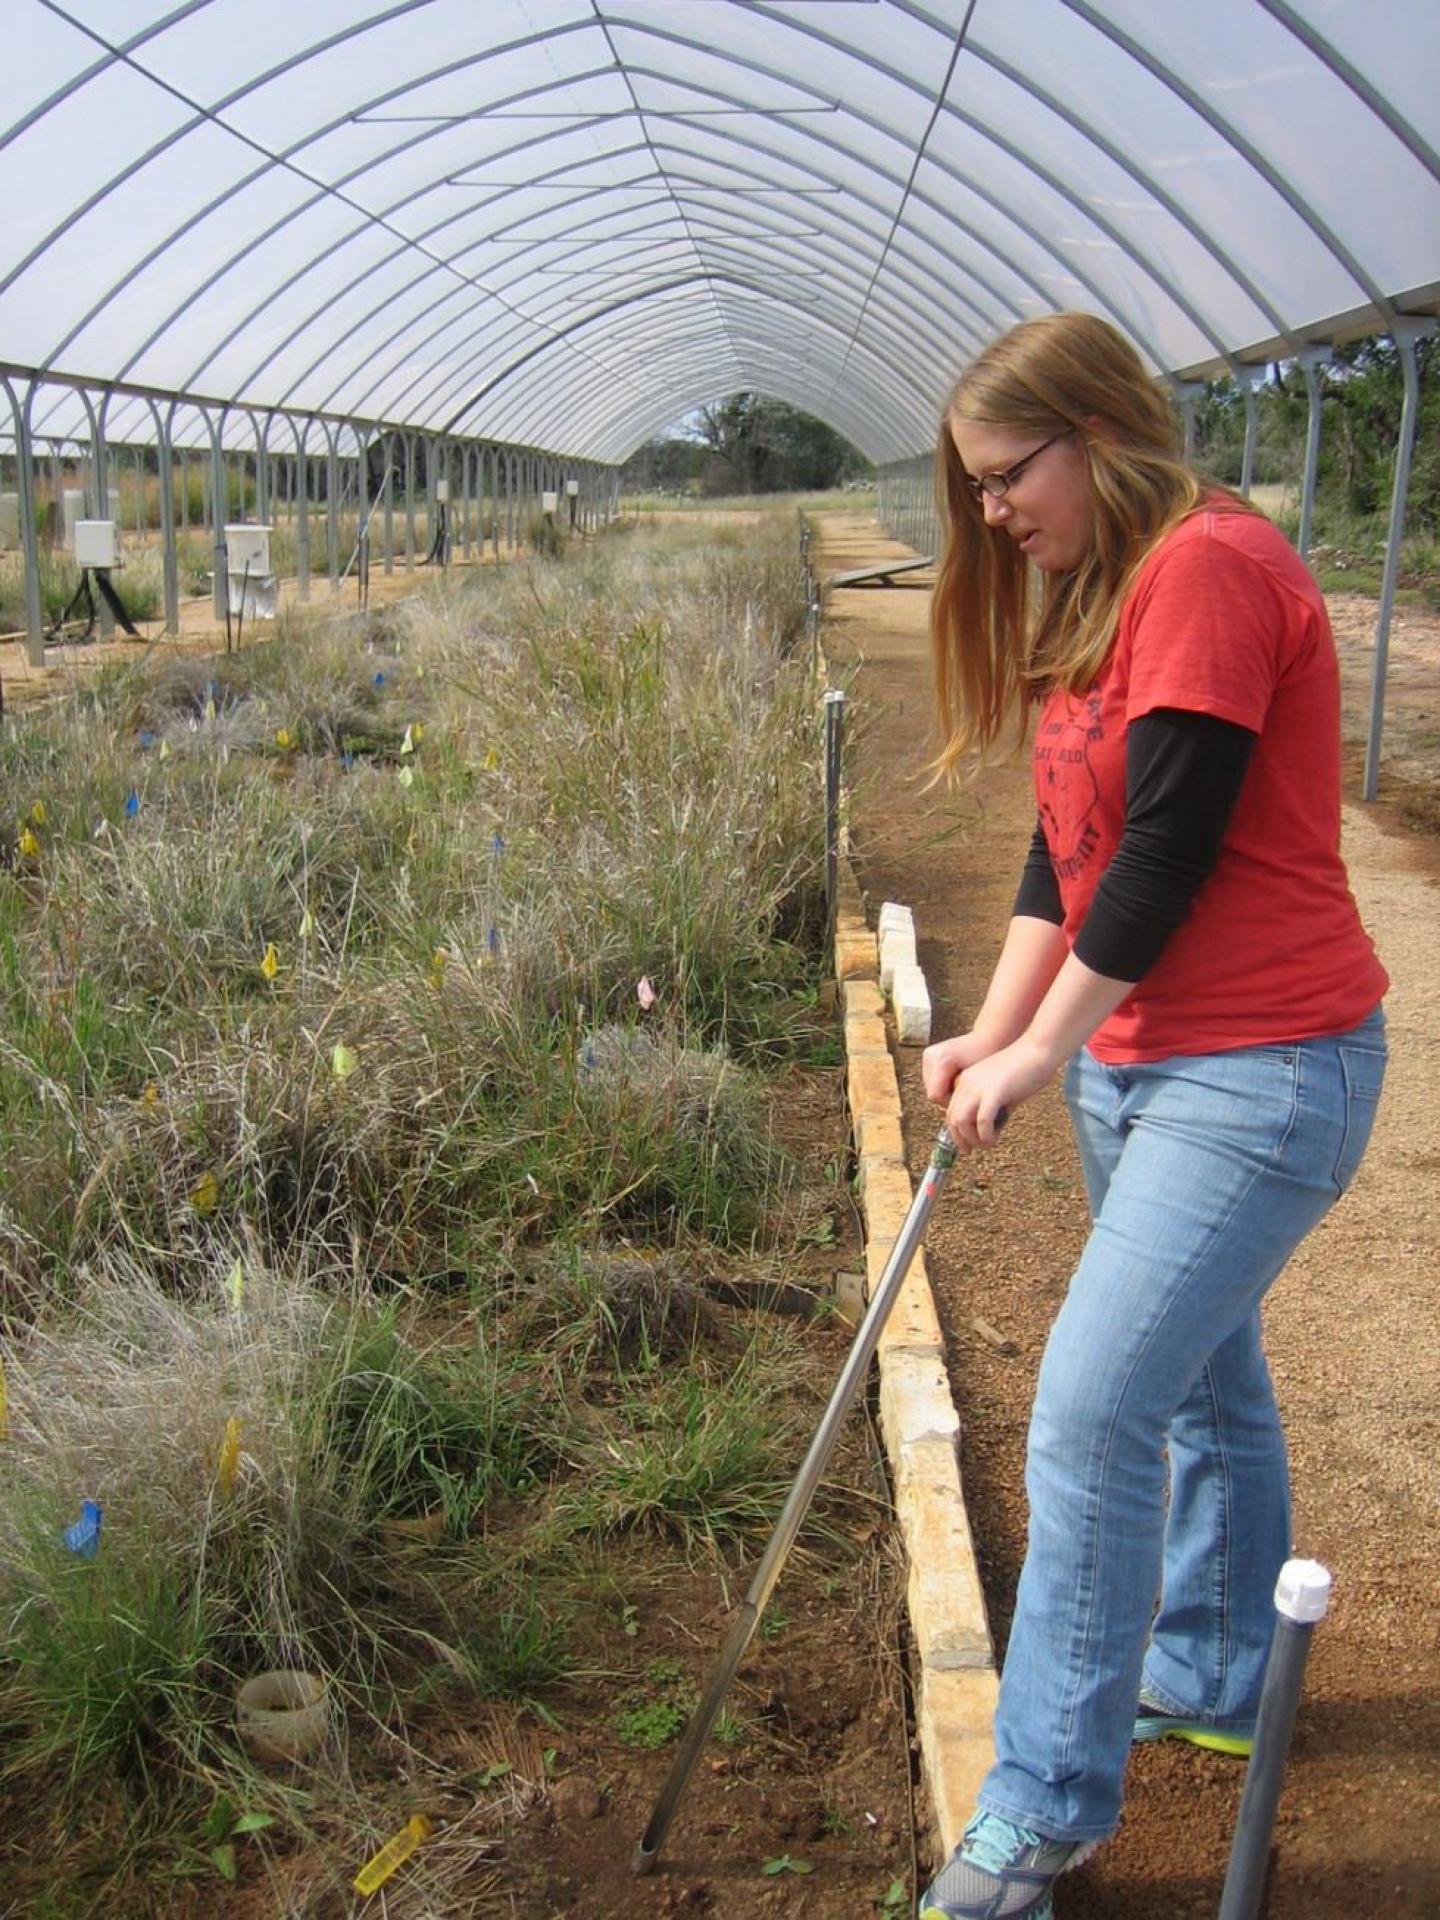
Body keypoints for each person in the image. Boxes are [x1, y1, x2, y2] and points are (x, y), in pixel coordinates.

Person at [914, 312, 1388, 1920]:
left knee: (1091, 1410)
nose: (992, 512)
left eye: (1005, 477)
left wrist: (1039, 1053)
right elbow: (1069, 846)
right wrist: (991, 1032)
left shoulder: (1208, 568)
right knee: (1201, 1384)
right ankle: (1220, 1669)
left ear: (1098, 435)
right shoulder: (1104, 591)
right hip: (1147, 1058)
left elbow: (1170, 851)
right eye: (976, 488)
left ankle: (1040, 1810)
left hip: (1263, 1064)